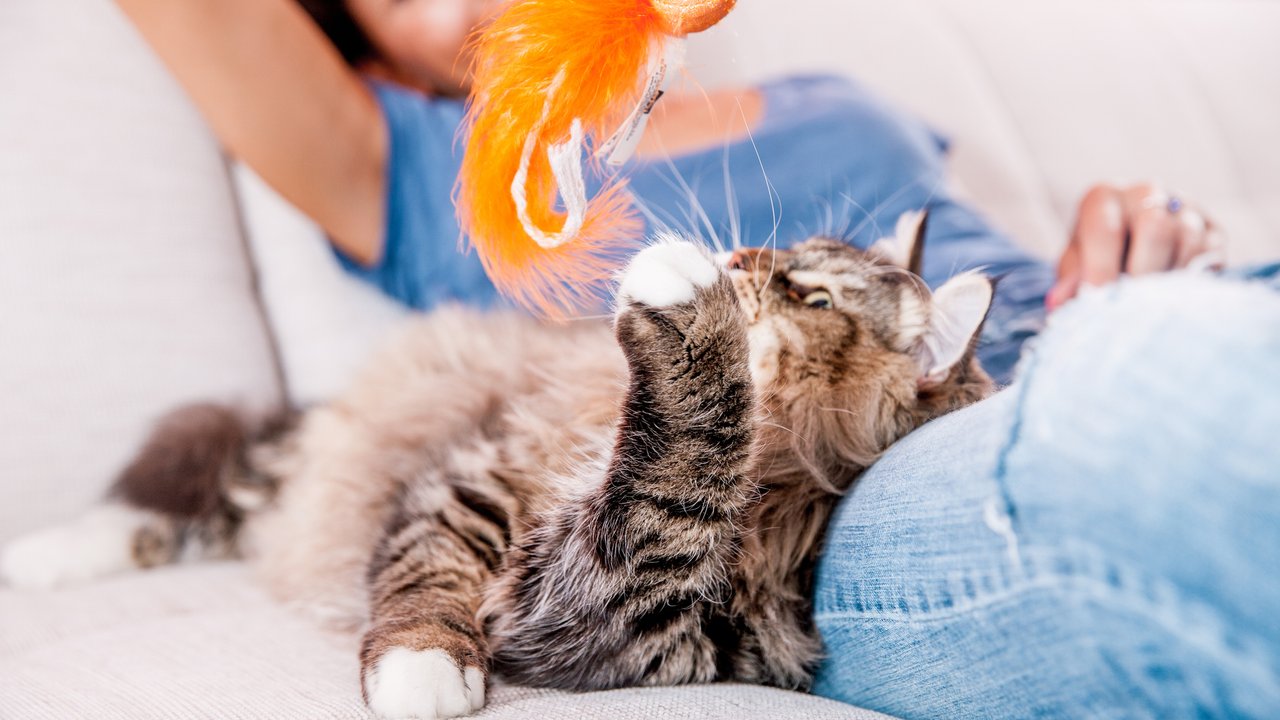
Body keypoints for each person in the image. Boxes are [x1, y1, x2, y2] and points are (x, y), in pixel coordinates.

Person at [114, 0, 1279, 717]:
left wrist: (1121, 270)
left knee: (1183, 351)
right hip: (835, 490)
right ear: (374, 67)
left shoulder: (820, 93)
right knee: (1169, 391)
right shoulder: (420, 169)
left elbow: (958, 277)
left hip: (1067, 346)